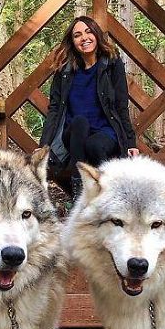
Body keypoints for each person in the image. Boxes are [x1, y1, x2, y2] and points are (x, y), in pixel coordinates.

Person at [39, 16, 139, 196]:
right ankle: (79, 192)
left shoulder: (111, 64)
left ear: (96, 35)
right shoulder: (64, 70)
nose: (84, 38)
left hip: (105, 132)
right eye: (77, 35)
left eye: (88, 32)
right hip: (74, 134)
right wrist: (44, 144)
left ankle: (106, 195)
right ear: (73, 42)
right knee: (79, 122)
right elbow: (54, 109)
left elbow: (121, 105)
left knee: (94, 145)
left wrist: (130, 143)